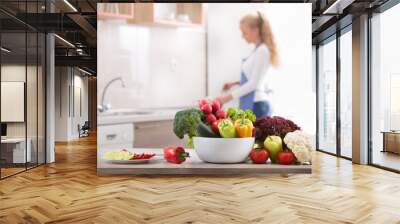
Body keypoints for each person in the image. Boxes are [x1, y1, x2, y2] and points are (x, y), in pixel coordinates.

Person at [216, 11, 279, 118]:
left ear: (256, 30)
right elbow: (255, 77)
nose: (242, 36)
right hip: (253, 104)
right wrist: (235, 83)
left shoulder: (262, 51)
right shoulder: (257, 50)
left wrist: (226, 98)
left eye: (244, 32)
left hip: (258, 106)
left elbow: (254, 84)